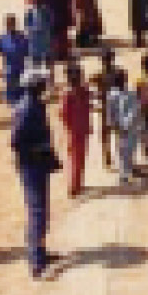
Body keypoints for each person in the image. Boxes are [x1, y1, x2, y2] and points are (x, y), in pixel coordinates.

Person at [9, 69, 61, 278]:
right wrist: (38, 149)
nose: (45, 85)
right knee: (37, 212)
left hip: (39, 164)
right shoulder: (26, 109)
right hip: (31, 166)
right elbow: (15, 141)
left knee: (42, 210)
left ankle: (40, 252)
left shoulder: (35, 104)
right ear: (34, 86)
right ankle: (36, 263)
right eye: (42, 83)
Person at [58, 61, 92, 198]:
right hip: (76, 130)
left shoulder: (80, 91)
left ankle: (78, 183)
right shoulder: (69, 94)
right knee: (76, 158)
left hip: (80, 129)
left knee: (80, 157)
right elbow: (63, 114)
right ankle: (74, 186)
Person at [105, 70, 139, 185]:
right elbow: (110, 112)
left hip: (130, 127)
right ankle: (123, 175)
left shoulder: (130, 94)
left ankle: (128, 170)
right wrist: (112, 124)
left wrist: (127, 123)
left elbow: (134, 111)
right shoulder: (112, 95)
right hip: (120, 128)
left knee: (130, 149)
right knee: (122, 151)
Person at [0, 15, 29, 102]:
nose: (10, 26)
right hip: (10, 69)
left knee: (21, 92)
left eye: (12, 24)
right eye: (8, 24)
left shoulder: (22, 36)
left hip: (21, 68)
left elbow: (28, 49)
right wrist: (2, 52)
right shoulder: (3, 37)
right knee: (11, 92)